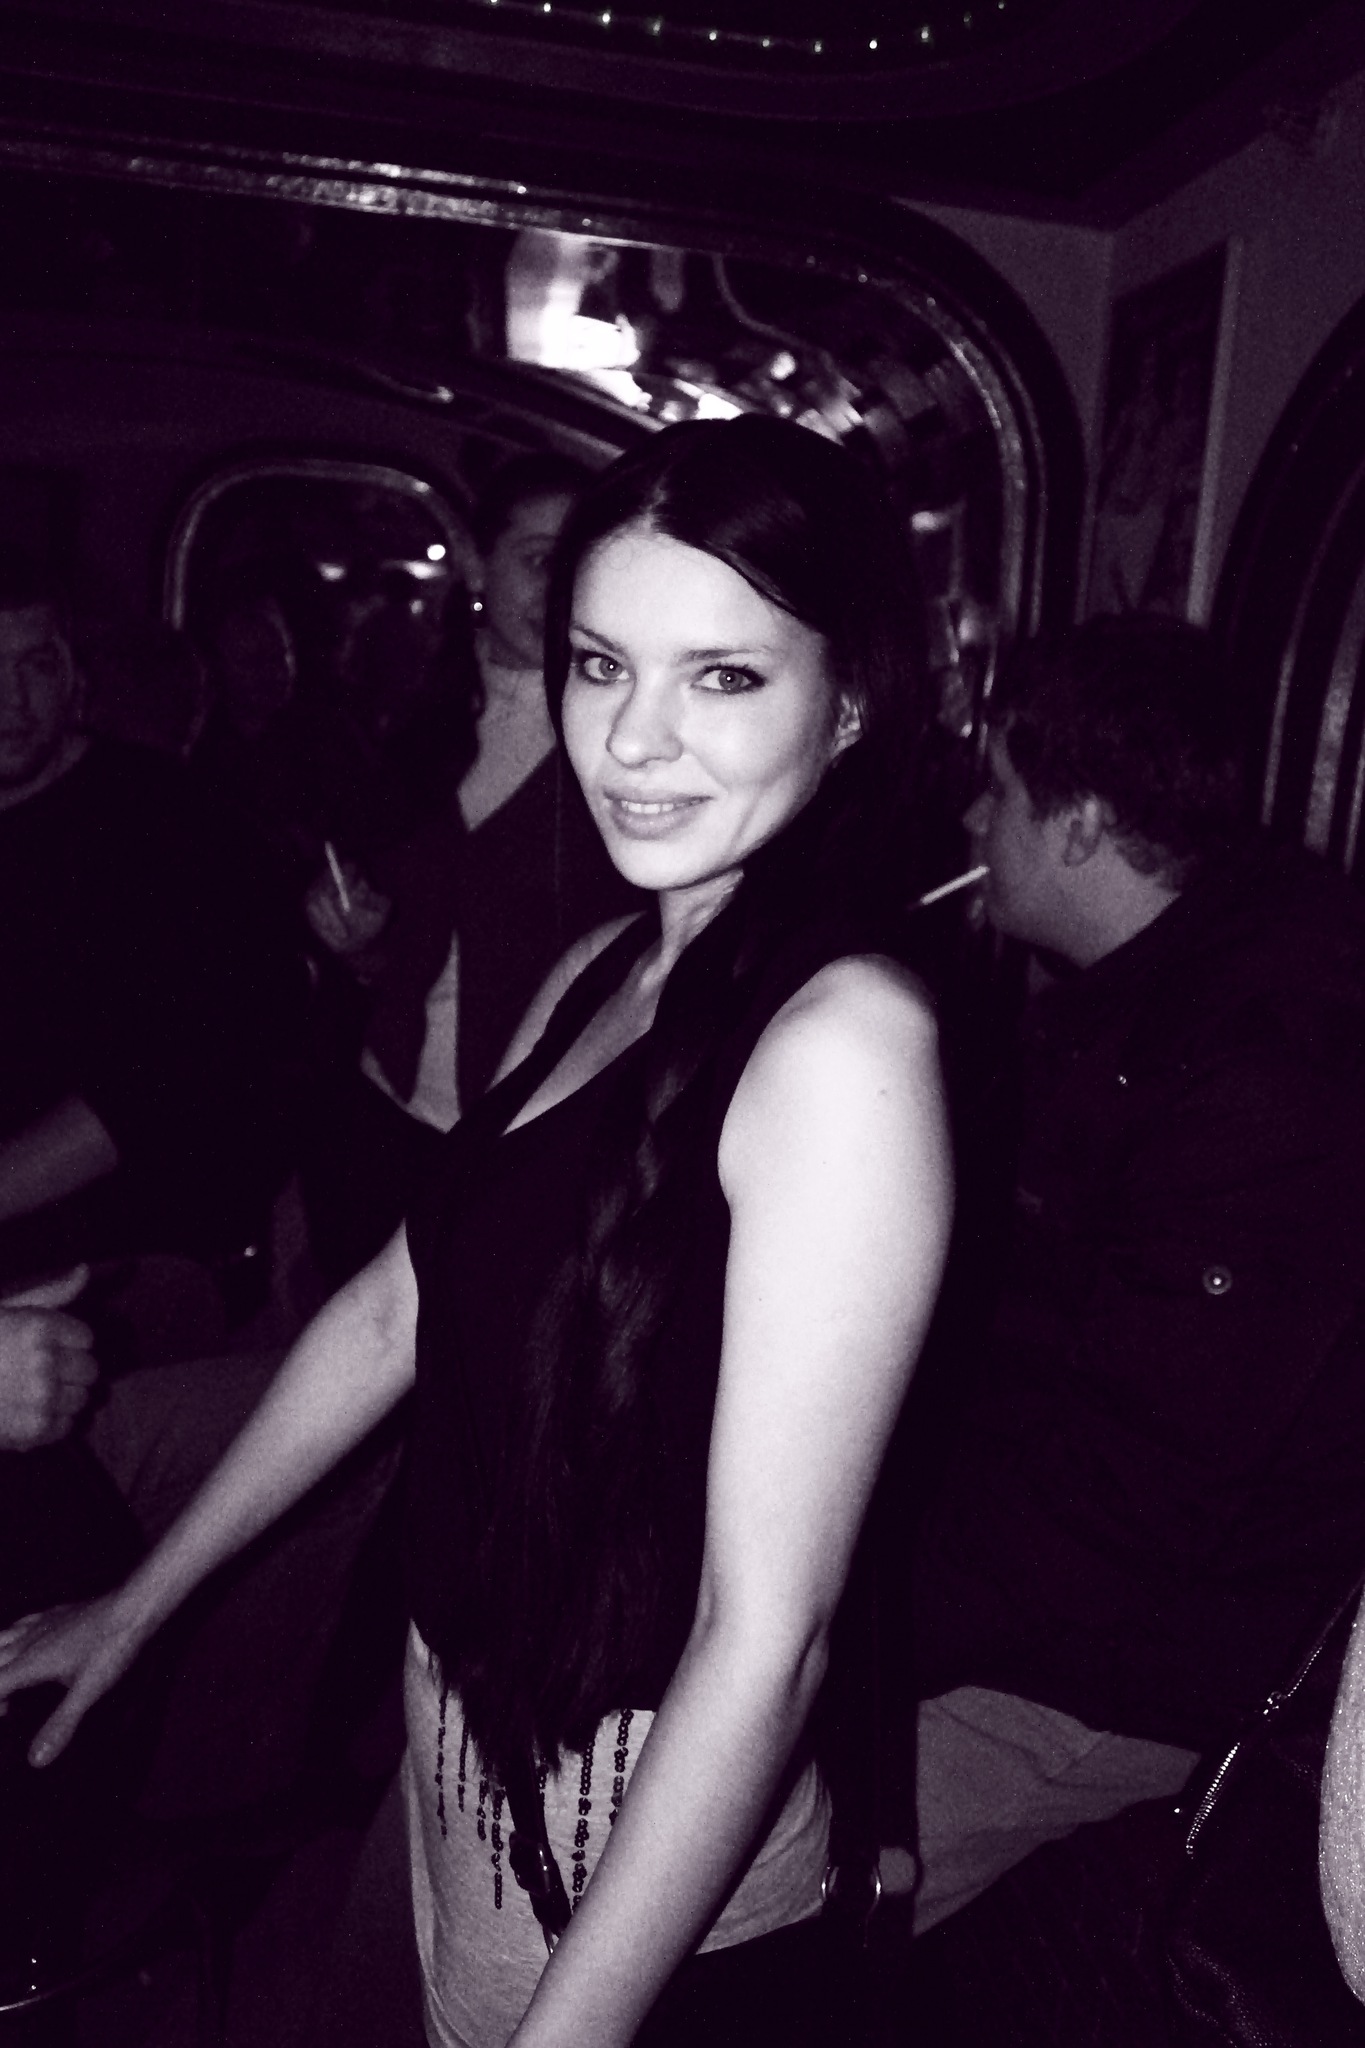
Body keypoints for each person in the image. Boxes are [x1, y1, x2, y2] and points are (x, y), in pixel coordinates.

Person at [0, 416, 952, 2046]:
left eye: (723, 675)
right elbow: (398, 1304)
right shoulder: (615, 965)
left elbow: (767, 1641)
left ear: (848, 700)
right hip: (455, 1745)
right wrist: (138, 1605)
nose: (634, 739)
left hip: (631, 1845)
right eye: (601, 663)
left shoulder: (842, 1047)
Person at [885, 616, 1365, 1933]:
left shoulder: (1267, 1076)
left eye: (996, 786)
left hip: (1143, 1664)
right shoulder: (1133, 993)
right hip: (1062, 1583)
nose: (972, 818)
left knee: (750, 1866)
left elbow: (1123, 1496)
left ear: (1083, 821)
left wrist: (859, 1631)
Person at [303, 453, 638, 1283]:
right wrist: (357, 944)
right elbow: (402, 953)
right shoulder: (412, 718)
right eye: (538, 559)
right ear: (478, 564)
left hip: (539, 1133)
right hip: (387, 1108)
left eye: (580, 561)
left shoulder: (628, 734)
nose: (560, 587)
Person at [0, 563, 305, 1296]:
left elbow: (157, 1083)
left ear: (74, 675)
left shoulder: (172, 828)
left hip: (116, 1267)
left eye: (36, 664)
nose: (11, 699)